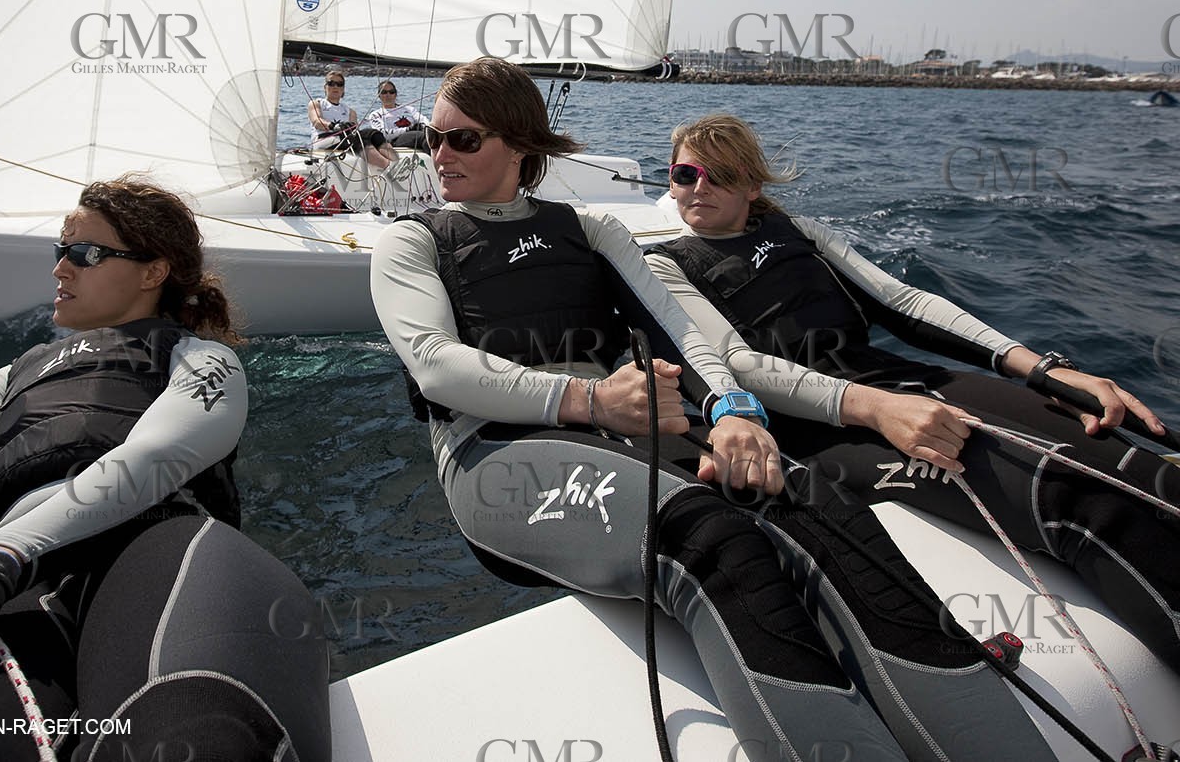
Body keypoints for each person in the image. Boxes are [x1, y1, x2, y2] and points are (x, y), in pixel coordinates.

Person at [371, 58, 1052, 762]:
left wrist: (731, 409)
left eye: (463, 139)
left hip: (624, 426)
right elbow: (435, 364)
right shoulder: (414, 242)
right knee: (712, 538)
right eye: (432, 137)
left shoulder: (591, 229)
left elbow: (676, 328)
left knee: (815, 502)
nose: (439, 155)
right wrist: (590, 397)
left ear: (519, 145)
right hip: (495, 454)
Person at [0, 176, 330, 762]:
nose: (61, 270)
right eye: (60, 252)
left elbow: (150, 461)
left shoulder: (200, 357)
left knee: (201, 732)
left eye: (85, 253)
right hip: (6, 577)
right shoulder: (15, 372)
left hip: (148, 544)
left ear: (153, 272)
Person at [647, 112, 1180, 670]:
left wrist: (1044, 370)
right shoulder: (668, 266)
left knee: (1135, 460)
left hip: (896, 379)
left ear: (753, 185)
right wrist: (878, 409)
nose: (698, 186)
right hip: (827, 428)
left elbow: (904, 303)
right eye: (685, 173)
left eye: (719, 173)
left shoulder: (798, 234)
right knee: (1071, 497)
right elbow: (740, 364)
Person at [308, 70, 393, 168]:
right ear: (325, 87)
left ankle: (396, 162)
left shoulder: (350, 111)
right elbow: (317, 121)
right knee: (354, 140)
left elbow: (354, 129)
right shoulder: (316, 103)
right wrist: (333, 126)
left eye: (339, 84)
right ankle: (387, 167)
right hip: (322, 140)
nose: (335, 87)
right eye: (331, 83)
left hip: (344, 140)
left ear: (343, 89)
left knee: (373, 134)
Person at [362, 79, 430, 150]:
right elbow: (383, 134)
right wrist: (408, 129)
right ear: (379, 95)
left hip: (416, 135)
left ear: (395, 94)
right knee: (422, 136)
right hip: (396, 140)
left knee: (431, 135)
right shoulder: (375, 115)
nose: (388, 95)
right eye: (384, 92)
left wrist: (427, 128)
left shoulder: (409, 109)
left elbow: (423, 120)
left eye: (391, 92)